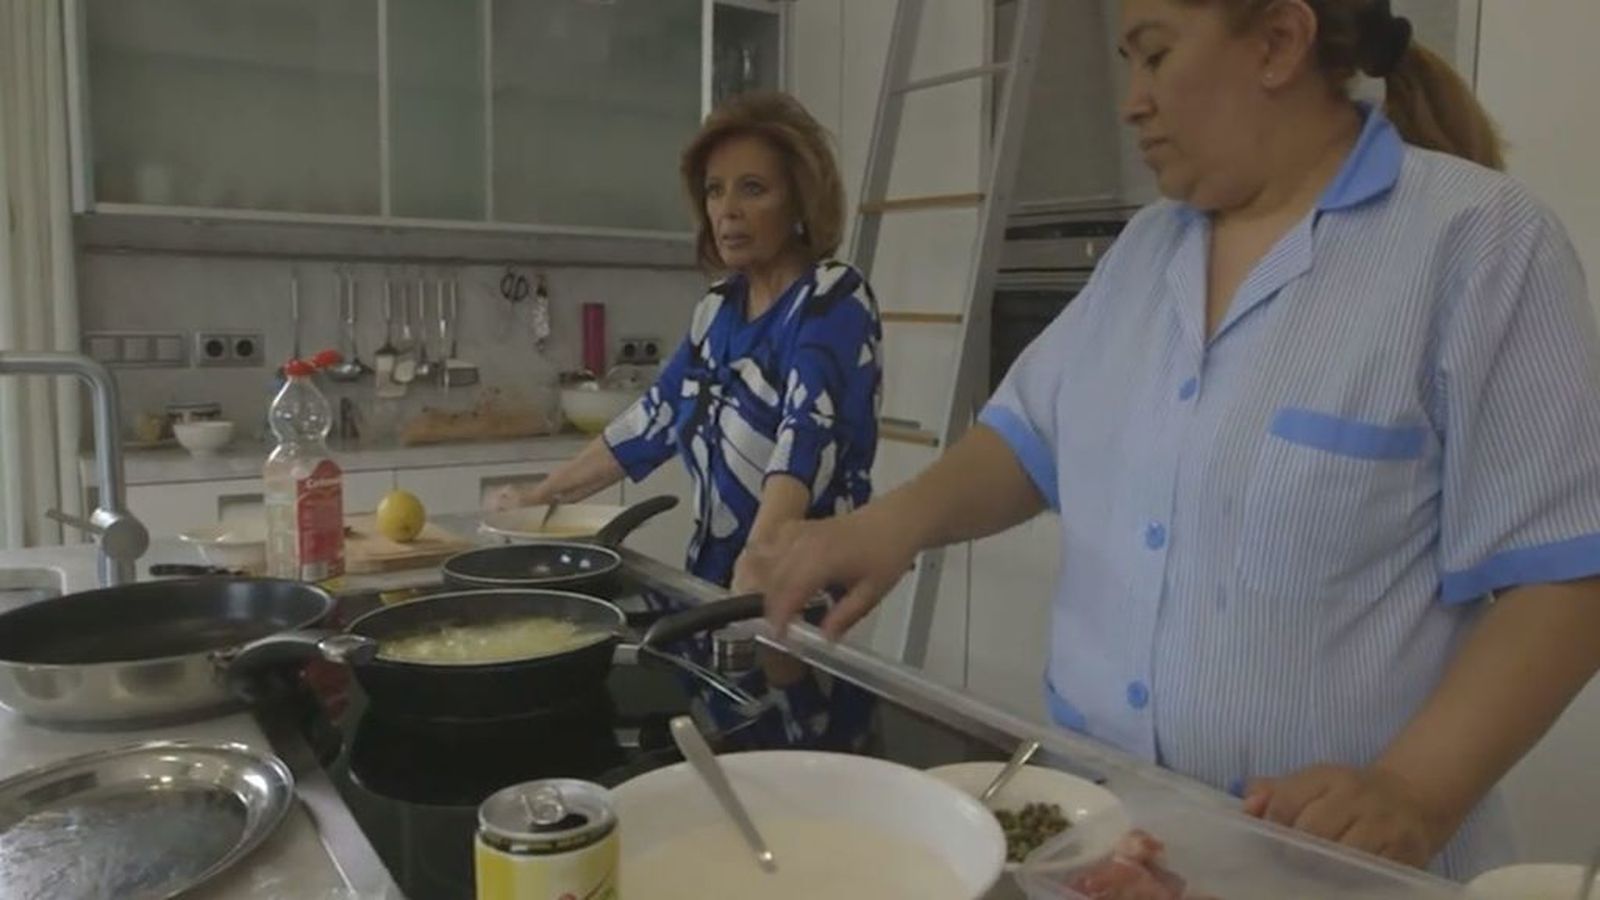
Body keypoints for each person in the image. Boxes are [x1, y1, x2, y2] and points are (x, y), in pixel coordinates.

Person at [756, 0, 1600, 880]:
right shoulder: (1146, 249)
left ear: (1278, 42)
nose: (1131, 101)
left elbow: (1567, 579)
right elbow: (1030, 436)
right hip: (1109, 845)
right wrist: (887, 527)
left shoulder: (1476, 242)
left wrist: (1413, 791)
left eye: (1155, 56)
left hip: (1323, 871)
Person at [489, 90, 882, 747]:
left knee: (793, 780)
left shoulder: (833, 298)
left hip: (797, 611)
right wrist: (541, 498)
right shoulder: (717, 310)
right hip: (715, 603)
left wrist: (760, 560)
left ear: (800, 201)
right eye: (715, 190)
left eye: (752, 188)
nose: (727, 210)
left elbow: (805, 438)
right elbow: (654, 418)